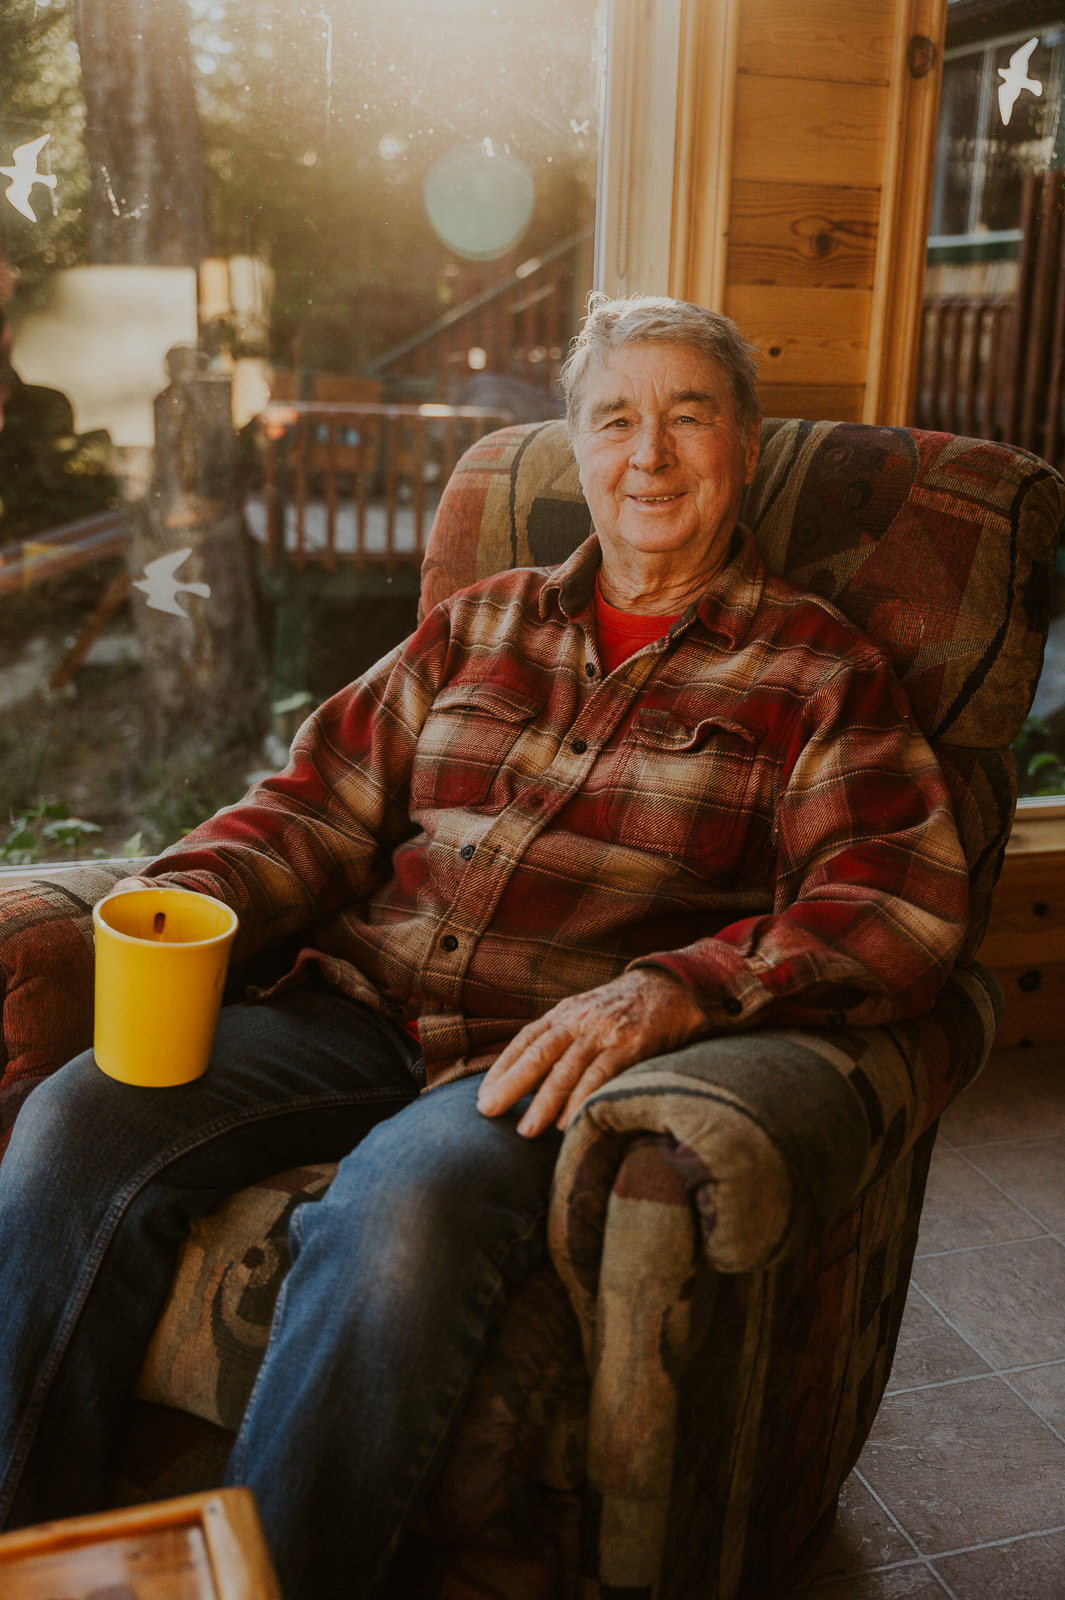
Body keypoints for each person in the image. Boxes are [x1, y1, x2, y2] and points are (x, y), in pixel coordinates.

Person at [0, 296, 970, 1598]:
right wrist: (171, 904)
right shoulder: (482, 623)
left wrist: (674, 992)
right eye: (617, 418)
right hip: (347, 1005)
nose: (651, 453)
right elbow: (311, 808)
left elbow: (895, 908)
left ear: (742, 442)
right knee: (77, 1115)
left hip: (535, 1061)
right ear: (576, 444)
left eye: (689, 416)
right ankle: (30, 1549)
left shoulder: (815, 673)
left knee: (403, 1204)